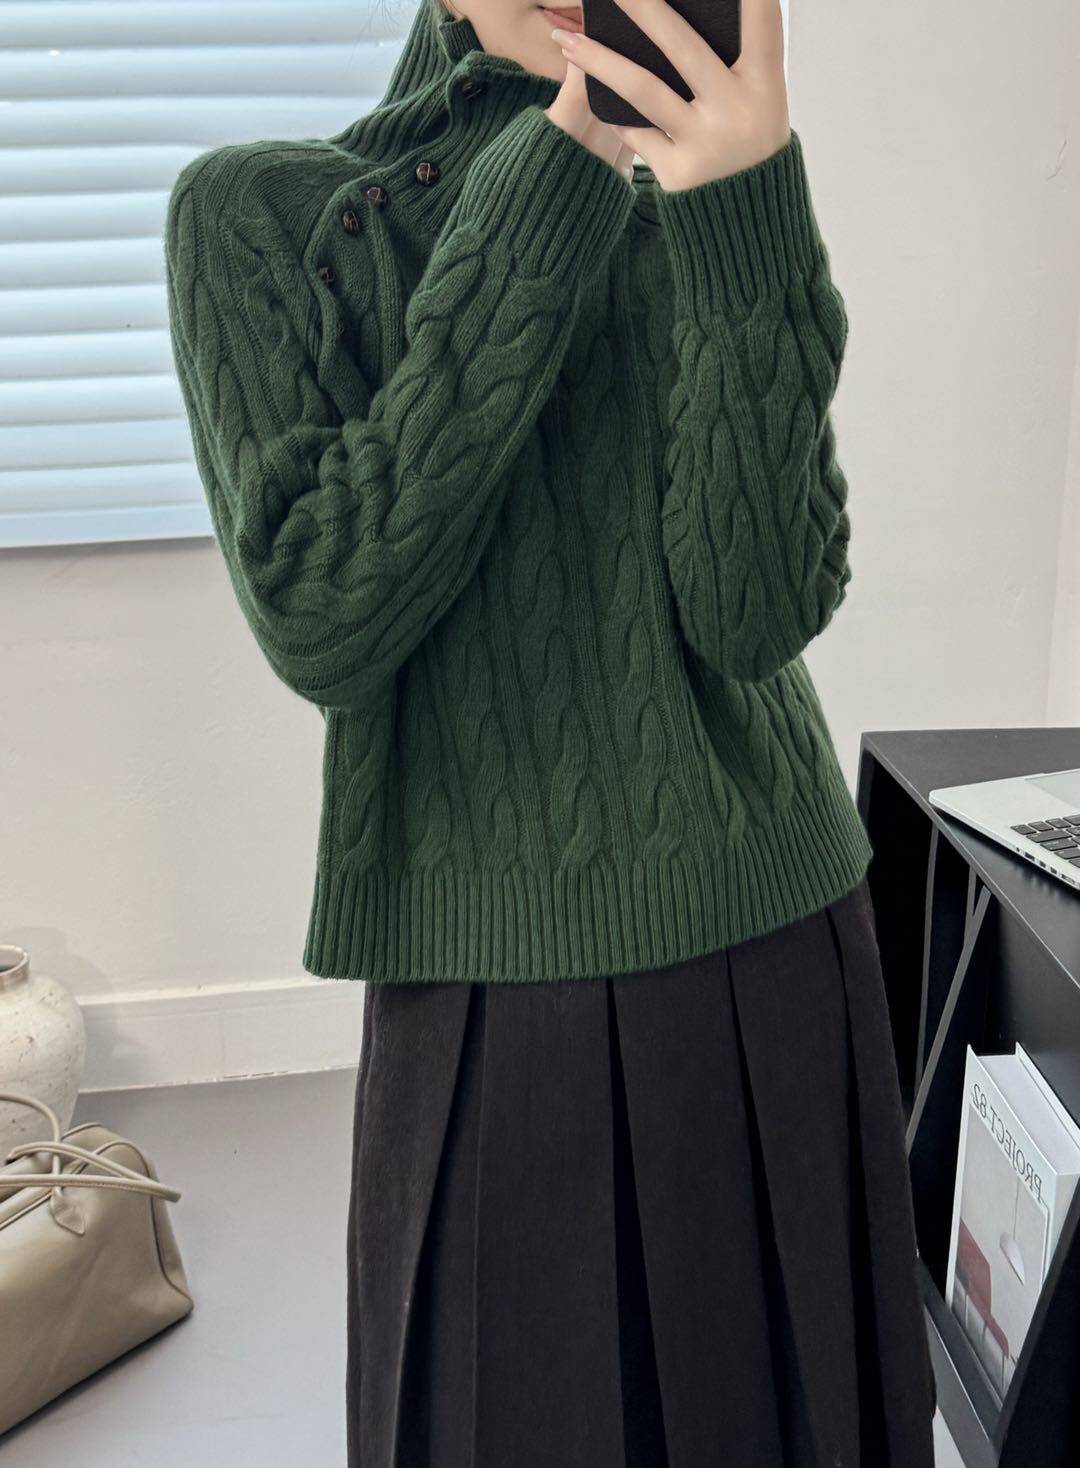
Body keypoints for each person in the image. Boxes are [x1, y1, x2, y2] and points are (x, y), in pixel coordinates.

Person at [164, 0, 937, 1461]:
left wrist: (748, 209)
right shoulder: (265, 214)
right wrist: (557, 176)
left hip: (776, 941)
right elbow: (326, 617)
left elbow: (757, 613)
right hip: (490, 988)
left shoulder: (704, 192)